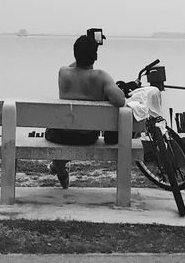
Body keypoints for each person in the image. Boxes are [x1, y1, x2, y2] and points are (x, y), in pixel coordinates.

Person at [45, 33, 126, 188]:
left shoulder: (63, 72)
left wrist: (84, 50)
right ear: (95, 56)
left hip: (59, 135)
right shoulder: (101, 77)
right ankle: (58, 166)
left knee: (62, 133)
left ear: (75, 54)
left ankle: (59, 166)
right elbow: (120, 100)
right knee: (77, 135)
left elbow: (76, 65)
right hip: (87, 136)